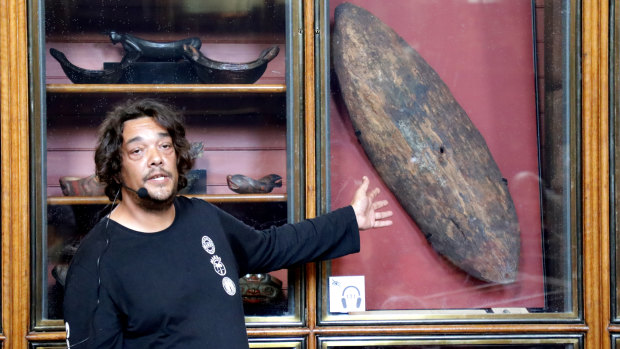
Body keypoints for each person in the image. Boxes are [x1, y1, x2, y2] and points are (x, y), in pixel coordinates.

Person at [63, 98, 392, 348]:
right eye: (138, 151)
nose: (156, 158)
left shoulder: (203, 217)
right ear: (116, 168)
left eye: (165, 146)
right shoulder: (96, 262)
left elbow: (271, 246)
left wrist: (349, 219)